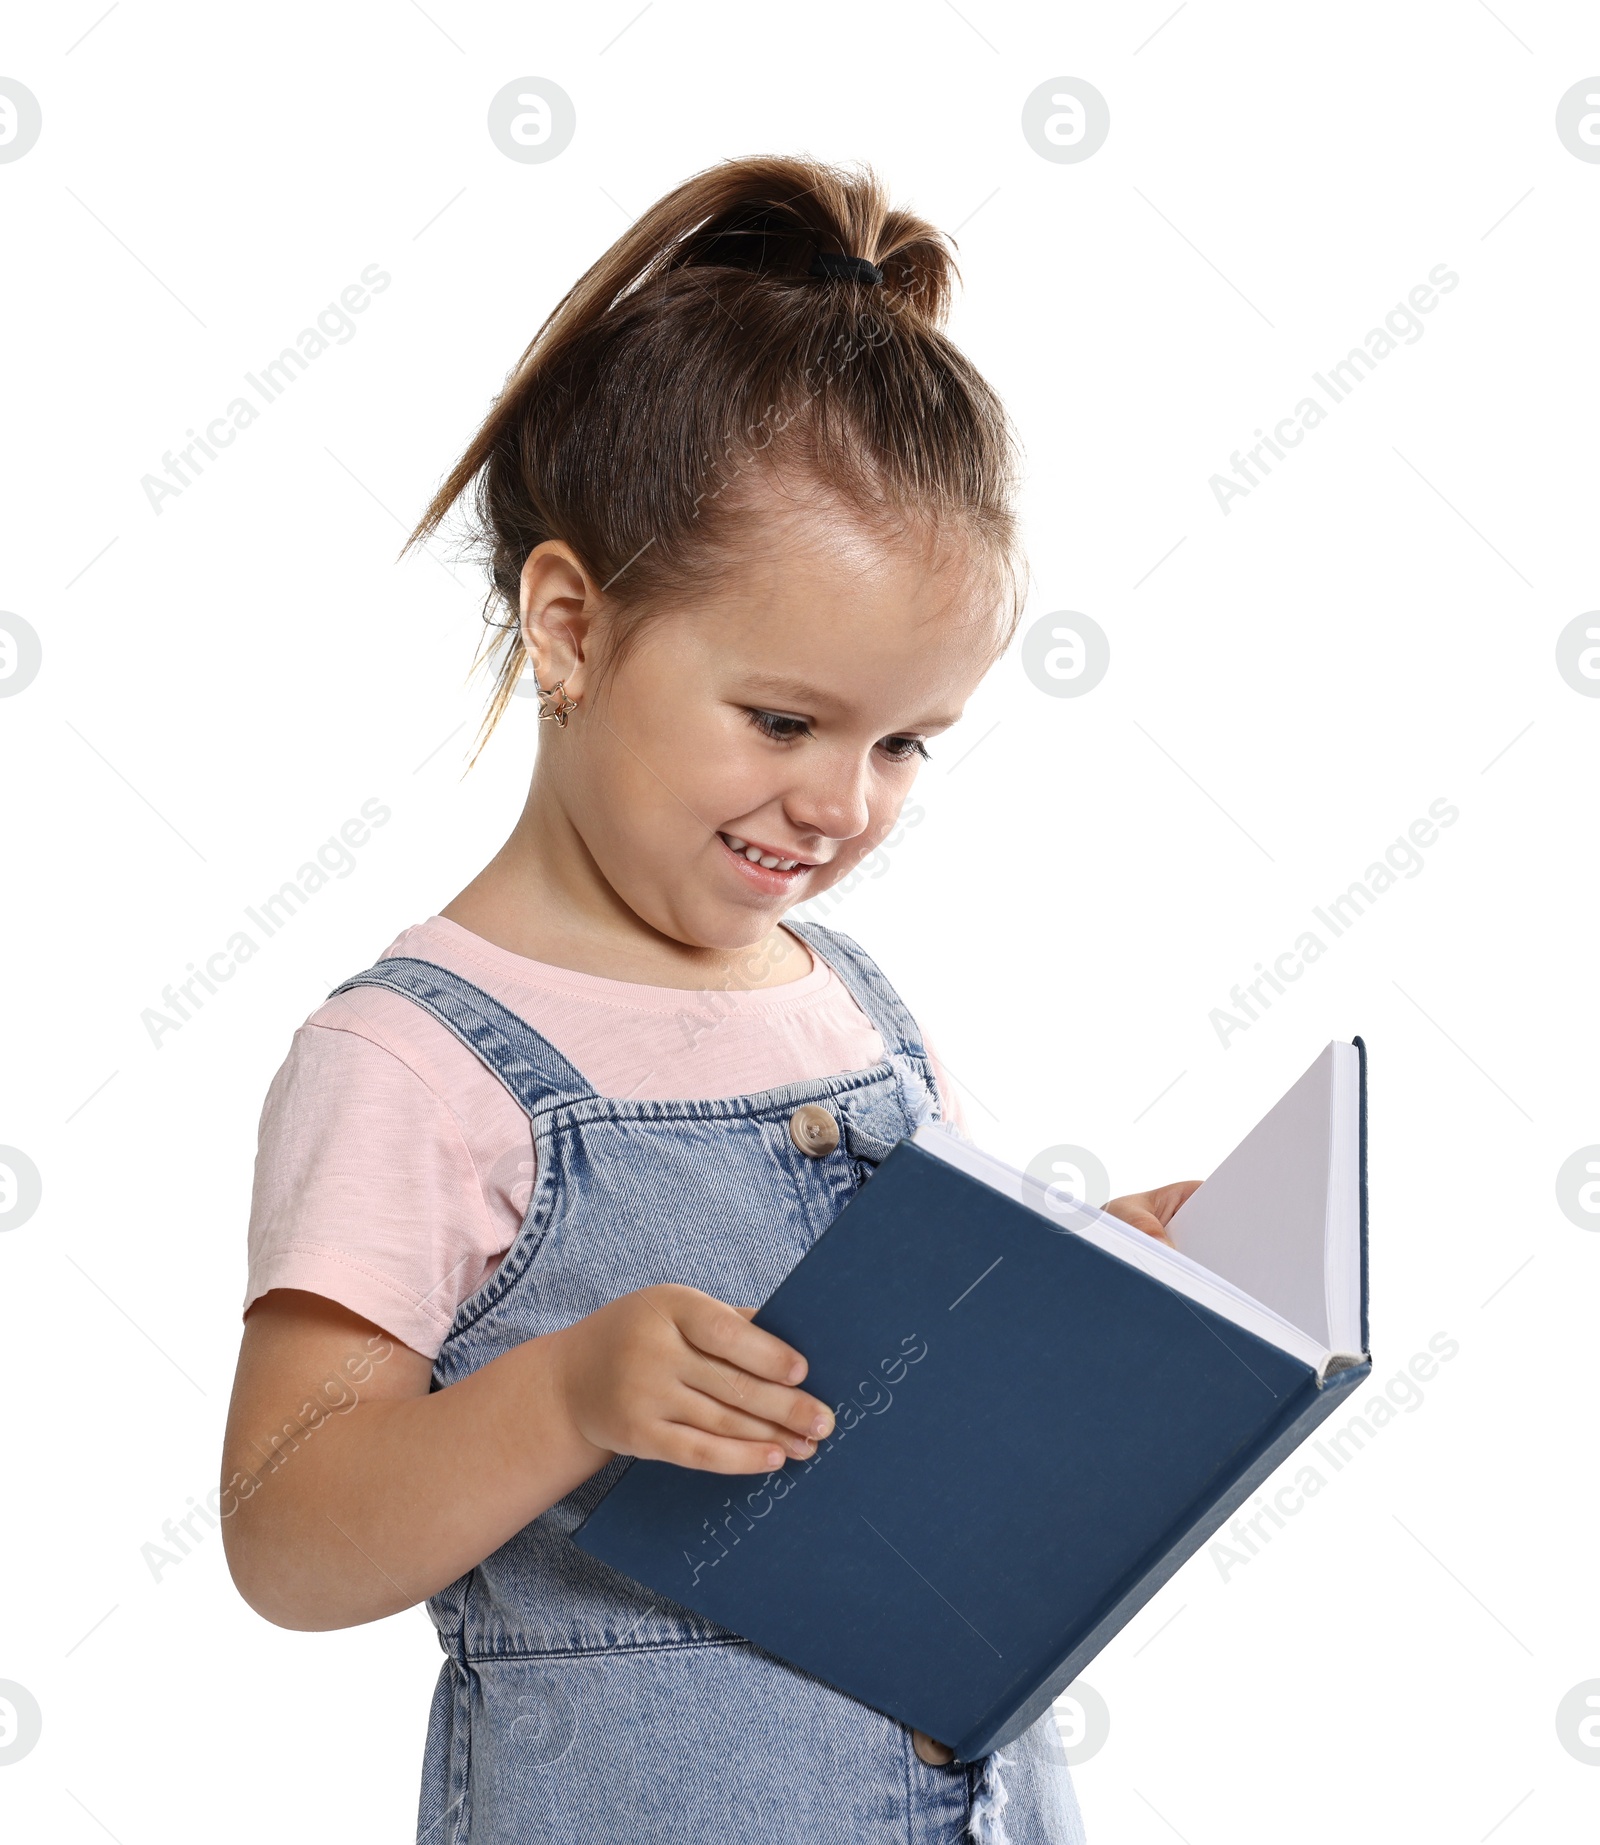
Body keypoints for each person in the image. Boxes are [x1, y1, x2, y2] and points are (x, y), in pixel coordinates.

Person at [220, 153, 1197, 1845]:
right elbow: (287, 1528)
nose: (842, 802)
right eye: (785, 720)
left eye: (903, 743)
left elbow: (907, 1431)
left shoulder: (858, 1010)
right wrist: (562, 1394)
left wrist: (1095, 1293)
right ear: (571, 623)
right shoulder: (420, 1064)